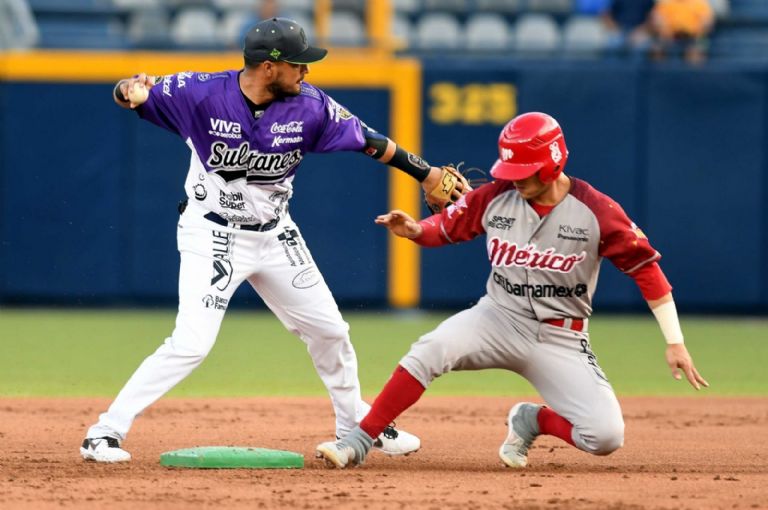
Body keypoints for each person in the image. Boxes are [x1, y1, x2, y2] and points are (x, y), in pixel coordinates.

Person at [79, 17, 469, 463]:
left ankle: (353, 429)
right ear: (269, 66)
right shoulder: (199, 93)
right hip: (212, 233)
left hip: (276, 235)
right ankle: (104, 433)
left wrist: (426, 173)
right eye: (298, 64)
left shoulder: (311, 106)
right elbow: (131, 94)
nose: (306, 71)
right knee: (191, 343)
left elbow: (371, 141)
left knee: (330, 332)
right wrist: (128, 89)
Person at [315, 112, 709, 469]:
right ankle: (359, 440)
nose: (516, 178)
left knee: (605, 436)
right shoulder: (497, 195)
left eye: (525, 170)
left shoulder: (597, 212)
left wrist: (675, 342)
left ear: (553, 164)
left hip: (560, 336)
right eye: (511, 169)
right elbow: (447, 227)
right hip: (497, 317)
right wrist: (417, 230)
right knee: (429, 350)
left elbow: (646, 269)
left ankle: (531, 420)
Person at [650, 0, 715, 64]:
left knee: (697, 52)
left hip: (693, 38)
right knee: (657, 51)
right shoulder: (665, 3)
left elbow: (707, 21)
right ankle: (660, 69)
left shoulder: (699, 4)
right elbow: (656, 18)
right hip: (669, 37)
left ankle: (693, 70)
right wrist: (665, 32)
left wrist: (699, 31)